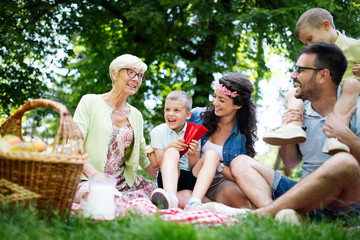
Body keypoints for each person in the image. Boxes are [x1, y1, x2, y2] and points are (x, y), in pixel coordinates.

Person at [231, 42, 360, 222]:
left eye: (300, 70)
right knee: (241, 163)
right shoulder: (299, 111)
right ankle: (280, 217)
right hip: (305, 195)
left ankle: (263, 216)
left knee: (343, 162)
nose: (293, 76)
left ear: (323, 75)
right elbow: (290, 162)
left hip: (346, 201)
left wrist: (347, 138)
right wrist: (289, 130)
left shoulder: (356, 107)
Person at [263, 8, 360, 155]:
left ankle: (335, 135)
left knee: (350, 85)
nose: (308, 45)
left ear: (326, 26)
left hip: (346, 96)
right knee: (292, 93)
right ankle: (294, 126)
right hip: (324, 94)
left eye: (309, 39)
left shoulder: (354, 46)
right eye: (305, 43)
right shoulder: (315, 56)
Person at [73, 54, 158, 203]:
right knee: (101, 198)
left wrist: (166, 182)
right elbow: (75, 148)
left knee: (160, 194)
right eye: (130, 72)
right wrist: (98, 178)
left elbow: (142, 157)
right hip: (88, 180)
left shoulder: (136, 115)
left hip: (124, 184)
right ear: (114, 74)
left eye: (140, 75)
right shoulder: (90, 102)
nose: (136, 79)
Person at [184, 73, 257, 210]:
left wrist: (218, 165)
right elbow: (170, 134)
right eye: (215, 96)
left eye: (222, 100)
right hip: (193, 176)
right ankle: (205, 205)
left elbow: (240, 175)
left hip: (218, 182)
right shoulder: (196, 116)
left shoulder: (241, 136)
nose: (215, 103)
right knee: (183, 197)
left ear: (238, 105)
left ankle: (208, 206)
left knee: (246, 204)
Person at [150, 90, 220, 209]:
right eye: (167, 109)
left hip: (189, 178)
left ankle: (194, 201)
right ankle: (171, 197)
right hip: (168, 180)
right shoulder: (158, 132)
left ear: (188, 115)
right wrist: (169, 148)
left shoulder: (193, 131)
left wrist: (192, 154)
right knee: (172, 152)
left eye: (176, 110)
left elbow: (194, 166)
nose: (170, 114)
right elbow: (160, 164)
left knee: (212, 154)